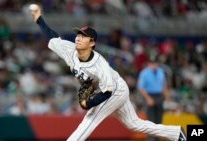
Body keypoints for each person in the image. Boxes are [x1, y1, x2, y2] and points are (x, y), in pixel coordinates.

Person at [29, 4, 187, 141]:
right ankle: (175, 133)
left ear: (92, 43)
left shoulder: (99, 64)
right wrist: (39, 18)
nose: (78, 38)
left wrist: (88, 104)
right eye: (78, 34)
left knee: (89, 121)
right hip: (112, 86)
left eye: (83, 37)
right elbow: (53, 37)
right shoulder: (69, 49)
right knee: (134, 124)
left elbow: (107, 92)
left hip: (114, 90)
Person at [137, 54, 170, 141]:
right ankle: (150, 139)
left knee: (159, 120)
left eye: (155, 63)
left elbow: (164, 85)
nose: (153, 65)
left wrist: (167, 97)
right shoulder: (144, 73)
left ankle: (157, 139)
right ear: (148, 63)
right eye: (152, 63)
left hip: (159, 96)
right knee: (151, 121)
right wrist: (148, 98)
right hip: (149, 95)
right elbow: (141, 87)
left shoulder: (161, 71)